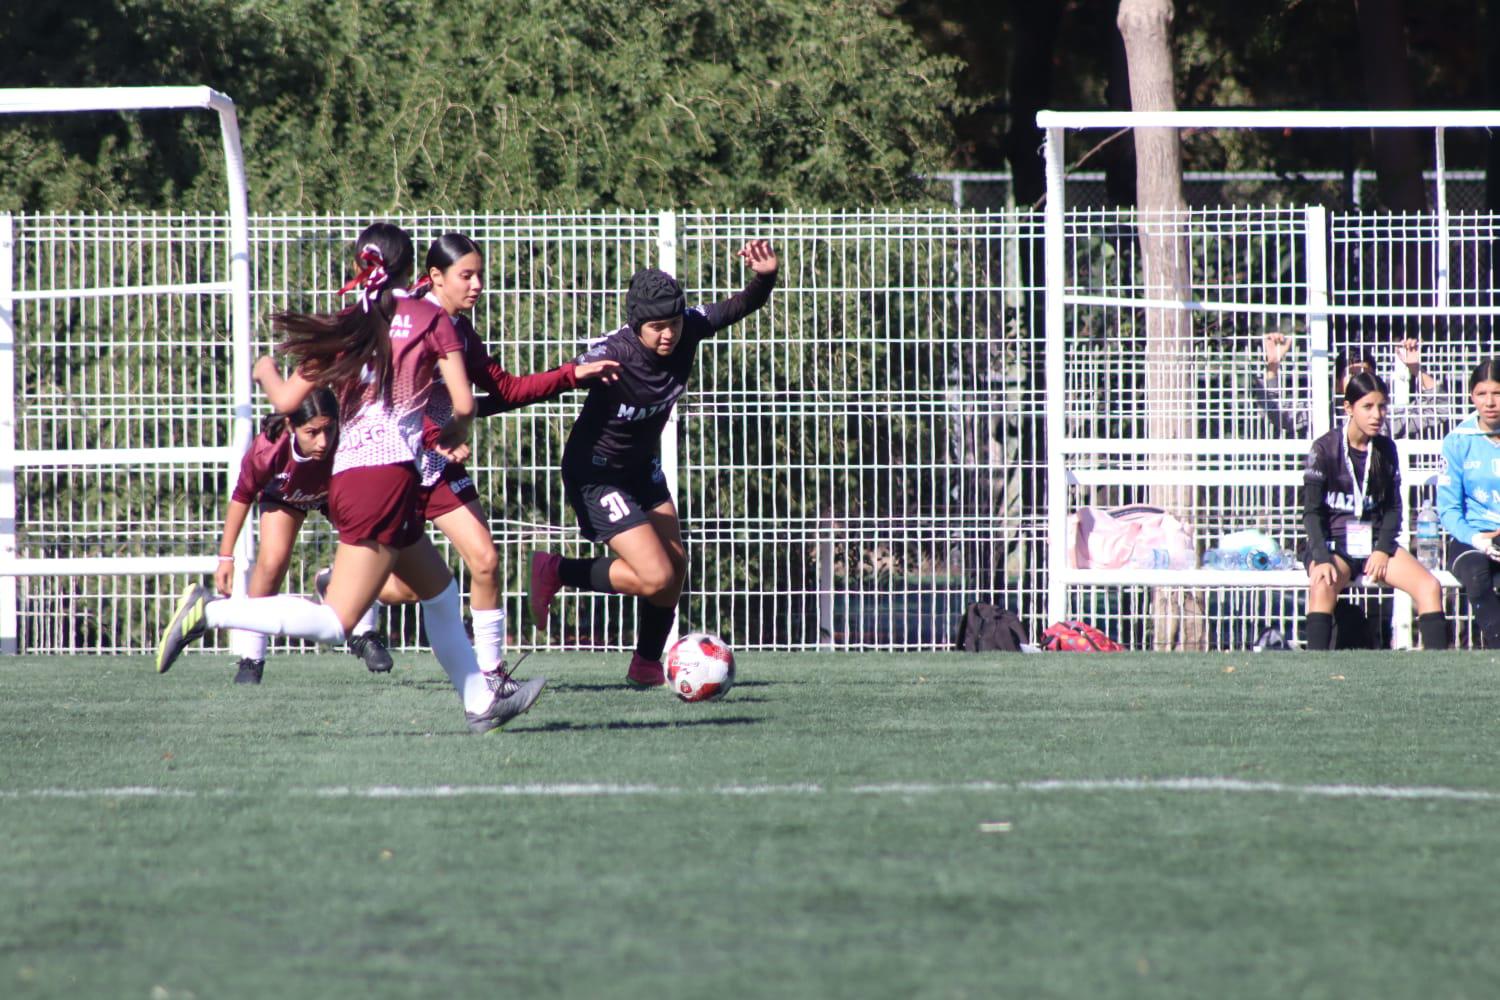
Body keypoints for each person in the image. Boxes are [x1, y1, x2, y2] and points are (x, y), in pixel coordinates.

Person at [155, 222, 546, 733]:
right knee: (336, 621)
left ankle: (480, 703)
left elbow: (286, 400)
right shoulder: (430, 317)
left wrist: (266, 369)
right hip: (386, 479)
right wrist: (453, 432)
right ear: (414, 270)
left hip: (352, 478)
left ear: (363, 266)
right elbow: (466, 403)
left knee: (440, 592)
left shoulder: (348, 322)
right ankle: (210, 612)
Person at [358, 232, 620, 694]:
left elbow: (505, 390)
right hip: (393, 465)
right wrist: (436, 434)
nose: (477, 284)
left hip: (438, 465)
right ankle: (338, 586)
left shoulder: (457, 329)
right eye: (467, 275)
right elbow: (390, 398)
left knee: (485, 559)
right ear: (436, 277)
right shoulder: (406, 320)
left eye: (480, 275)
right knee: (406, 588)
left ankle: (493, 675)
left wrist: (573, 375)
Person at [528, 239, 778, 686]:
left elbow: (741, 304)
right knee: (656, 575)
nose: (669, 334)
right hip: (596, 474)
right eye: (657, 327)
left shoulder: (690, 328)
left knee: (676, 566)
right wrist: (477, 405)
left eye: (674, 324)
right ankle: (557, 569)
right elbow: (547, 383)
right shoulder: (615, 353)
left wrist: (765, 277)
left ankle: (645, 665)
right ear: (636, 324)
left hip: (641, 467)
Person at [214, 389, 391, 684]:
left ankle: (364, 634)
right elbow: (242, 496)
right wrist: (225, 557)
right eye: (312, 432)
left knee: (368, 543)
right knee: (271, 564)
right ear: (291, 426)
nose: (323, 442)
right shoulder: (268, 450)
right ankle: (251, 659)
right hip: (285, 499)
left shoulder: (349, 443)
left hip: (334, 493)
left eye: (329, 430)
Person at [1302, 370, 1448, 651]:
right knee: (1322, 585)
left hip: (1373, 545)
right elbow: (1312, 512)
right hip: (1335, 546)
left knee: (1429, 586)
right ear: (1349, 408)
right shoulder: (1324, 448)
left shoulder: (1385, 448)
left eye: (1382, 406)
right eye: (1367, 406)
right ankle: (1315, 669)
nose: (1376, 415)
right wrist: (1320, 557)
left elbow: (1393, 508)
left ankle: (1440, 670)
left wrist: (1382, 549)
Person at [1253, 334, 1445, 438]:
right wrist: (1272, 367)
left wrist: (1416, 369)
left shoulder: (1384, 418)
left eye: (1366, 374)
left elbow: (1440, 409)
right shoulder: (1321, 415)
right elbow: (1277, 414)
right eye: (1352, 374)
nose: (1360, 380)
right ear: (1338, 384)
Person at [1438, 358, 1500, 648]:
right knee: (1477, 576)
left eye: (1497, 393)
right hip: (1471, 538)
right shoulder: (1458, 440)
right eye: (1481, 393)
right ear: (1471, 396)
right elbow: (1448, 509)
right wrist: (1477, 538)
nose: (1490, 402)